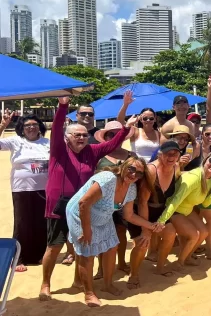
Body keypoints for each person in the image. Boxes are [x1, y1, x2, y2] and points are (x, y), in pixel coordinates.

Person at [40, 97, 136, 302]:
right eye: (77, 135)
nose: (82, 138)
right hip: (58, 203)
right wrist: (63, 105)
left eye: (84, 135)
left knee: (80, 246)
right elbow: (57, 128)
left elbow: (112, 144)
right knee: (54, 245)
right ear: (68, 138)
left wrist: (125, 129)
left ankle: (78, 281)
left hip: (82, 205)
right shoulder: (58, 149)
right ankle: (46, 284)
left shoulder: (92, 151)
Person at [65, 157, 162, 307]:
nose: (134, 174)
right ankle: (89, 293)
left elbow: (129, 215)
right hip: (80, 214)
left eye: (139, 173)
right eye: (131, 169)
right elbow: (83, 203)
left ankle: (108, 284)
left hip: (103, 216)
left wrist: (150, 226)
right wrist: (86, 230)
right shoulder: (107, 179)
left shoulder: (131, 188)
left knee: (112, 247)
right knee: (87, 253)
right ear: (123, 166)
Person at [157, 153, 211, 270]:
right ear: (204, 161)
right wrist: (162, 220)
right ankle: (179, 262)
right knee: (194, 235)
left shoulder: (210, 179)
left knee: (204, 232)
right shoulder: (193, 178)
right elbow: (175, 201)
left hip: (187, 210)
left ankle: (186, 257)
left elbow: (205, 203)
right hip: (175, 210)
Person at [0, 112, 50, 272]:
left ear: (39, 127)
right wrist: (2, 126)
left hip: (44, 188)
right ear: (22, 128)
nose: (31, 128)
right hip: (21, 188)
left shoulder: (47, 142)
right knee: (22, 223)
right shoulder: (15, 141)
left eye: (34, 124)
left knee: (42, 222)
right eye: (27, 125)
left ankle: (40, 255)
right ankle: (18, 258)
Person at [127, 141, 180, 286]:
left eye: (176, 154)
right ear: (160, 154)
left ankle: (160, 266)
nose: (172, 157)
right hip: (141, 211)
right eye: (169, 154)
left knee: (170, 234)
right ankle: (133, 274)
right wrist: (146, 229)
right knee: (143, 242)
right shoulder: (151, 170)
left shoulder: (176, 167)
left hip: (159, 210)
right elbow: (143, 202)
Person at [93, 121, 136, 280]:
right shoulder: (99, 156)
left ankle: (122, 262)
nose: (116, 136)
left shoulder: (131, 155)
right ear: (106, 137)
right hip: (102, 202)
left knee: (120, 232)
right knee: (101, 235)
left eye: (119, 133)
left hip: (124, 201)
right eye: (112, 134)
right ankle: (100, 268)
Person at [117, 90, 162, 161]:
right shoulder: (135, 131)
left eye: (151, 118)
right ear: (141, 119)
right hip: (138, 167)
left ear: (155, 119)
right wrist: (125, 104)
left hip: (153, 167)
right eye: (145, 118)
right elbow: (120, 120)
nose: (148, 120)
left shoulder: (159, 134)